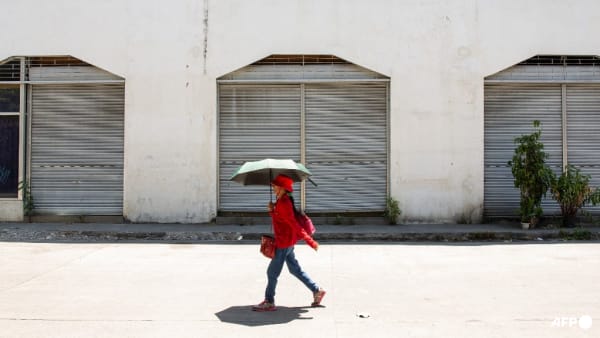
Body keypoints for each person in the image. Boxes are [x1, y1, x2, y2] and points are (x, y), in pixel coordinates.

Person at [252, 174, 326, 312]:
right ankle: (317, 290)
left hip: (283, 243)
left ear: (282, 188)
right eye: (273, 186)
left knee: (272, 273)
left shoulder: (284, 203)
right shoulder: (282, 201)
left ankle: (269, 301)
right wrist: (272, 210)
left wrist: (310, 241)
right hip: (287, 241)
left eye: (275, 186)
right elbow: (281, 220)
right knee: (294, 269)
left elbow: (294, 224)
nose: (273, 188)